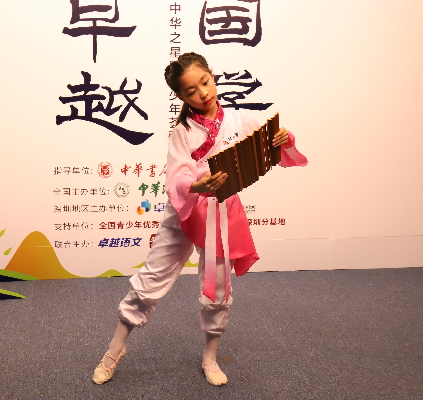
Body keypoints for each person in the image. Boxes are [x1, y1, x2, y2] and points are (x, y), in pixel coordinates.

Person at [92, 52, 307, 386]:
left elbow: (272, 148)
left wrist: (283, 138)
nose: (203, 94)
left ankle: (210, 357)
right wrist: (196, 185)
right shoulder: (181, 132)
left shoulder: (239, 121)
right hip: (185, 213)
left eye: (205, 82)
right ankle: (113, 351)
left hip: (222, 214)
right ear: (180, 96)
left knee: (218, 288)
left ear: (212, 76)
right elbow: (177, 175)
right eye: (191, 91)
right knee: (150, 280)